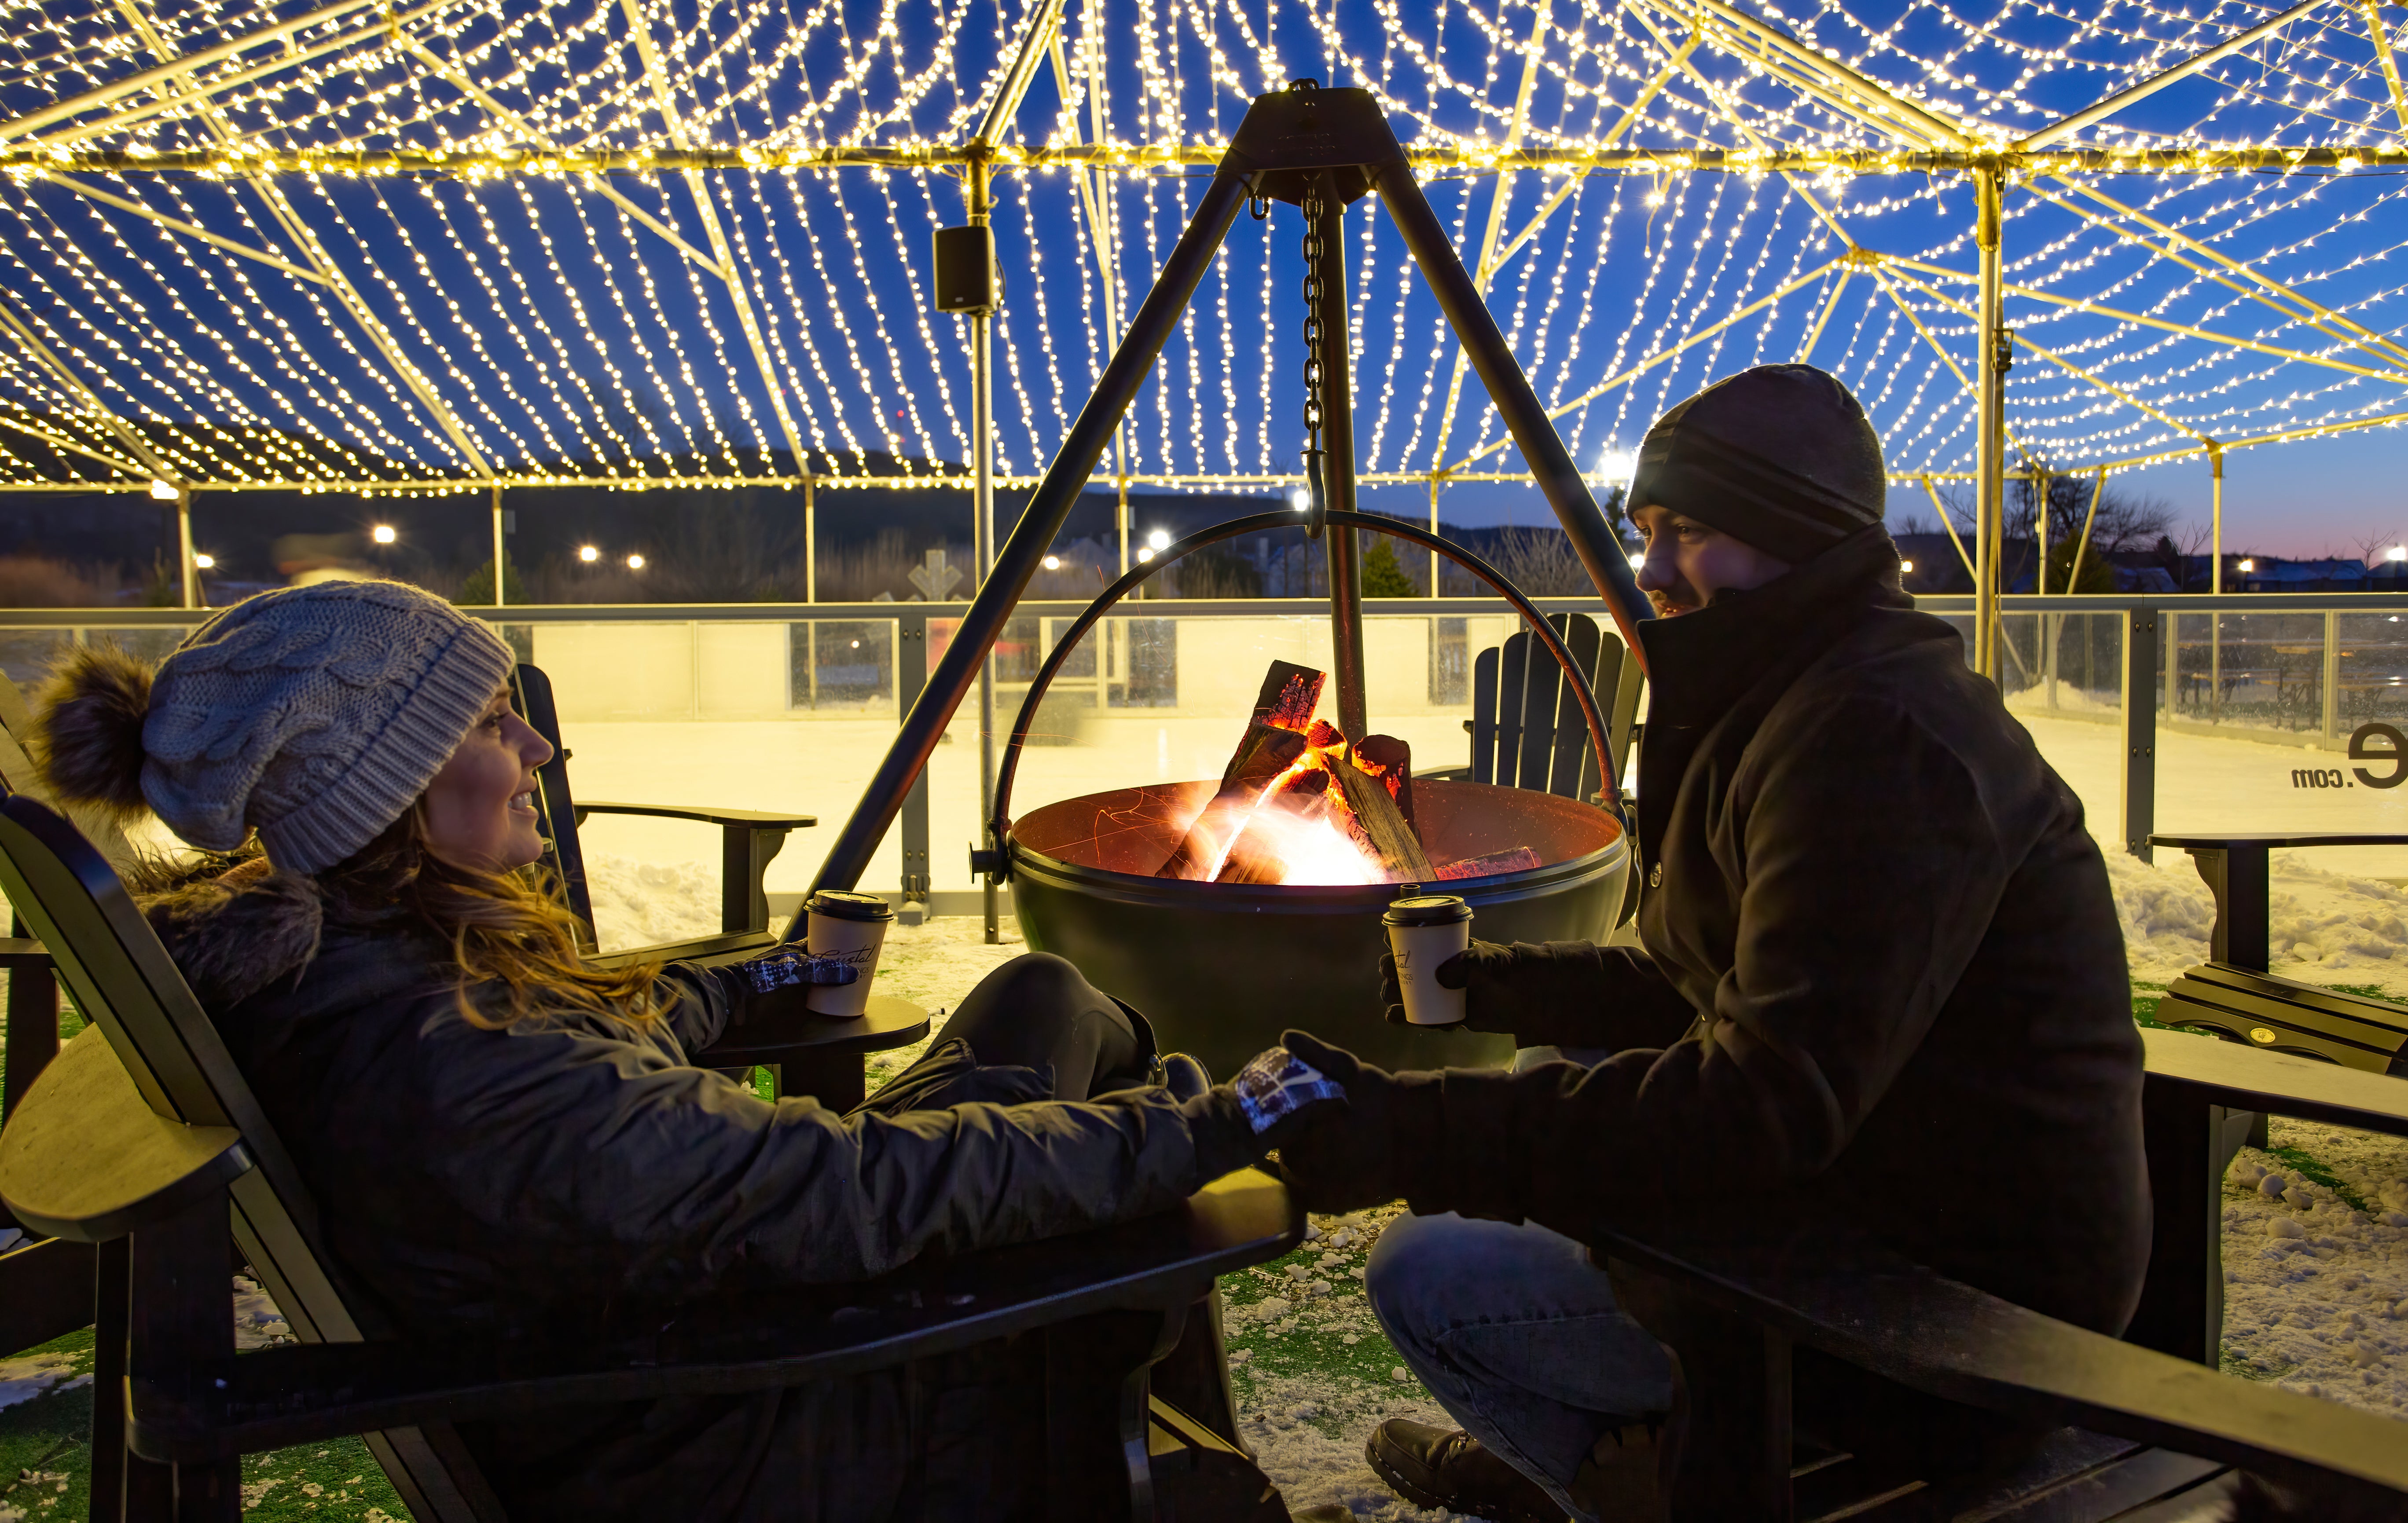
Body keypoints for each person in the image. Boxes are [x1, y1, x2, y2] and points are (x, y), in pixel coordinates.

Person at [30, 579, 1313, 1523]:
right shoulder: (459, 1068)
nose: (537, 749)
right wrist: (1225, 1119)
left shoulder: (372, 963)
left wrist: (753, 978)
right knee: (1152, 1171)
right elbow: (850, 1191)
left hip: (698, 1332)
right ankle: (1178, 1471)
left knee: (1040, 994)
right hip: (755, 1430)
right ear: (392, 788)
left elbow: (600, 1061)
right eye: (492, 724)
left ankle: (1183, 1422)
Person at [1277, 364, 2148, 1521]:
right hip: (1877, 1191)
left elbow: (1761, 1103)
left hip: (1948, 1316)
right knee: (1556, 1067)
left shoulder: (1877, 739)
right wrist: (1497, 985)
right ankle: (1615, 1456)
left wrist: (1412, 1133)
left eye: (1688, 532)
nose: (1650, 572)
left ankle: (1607, 1488)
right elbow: (1713, 978)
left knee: (1428, 1271)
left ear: (1799, 531)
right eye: (1647, 530)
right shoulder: (1800, 690)